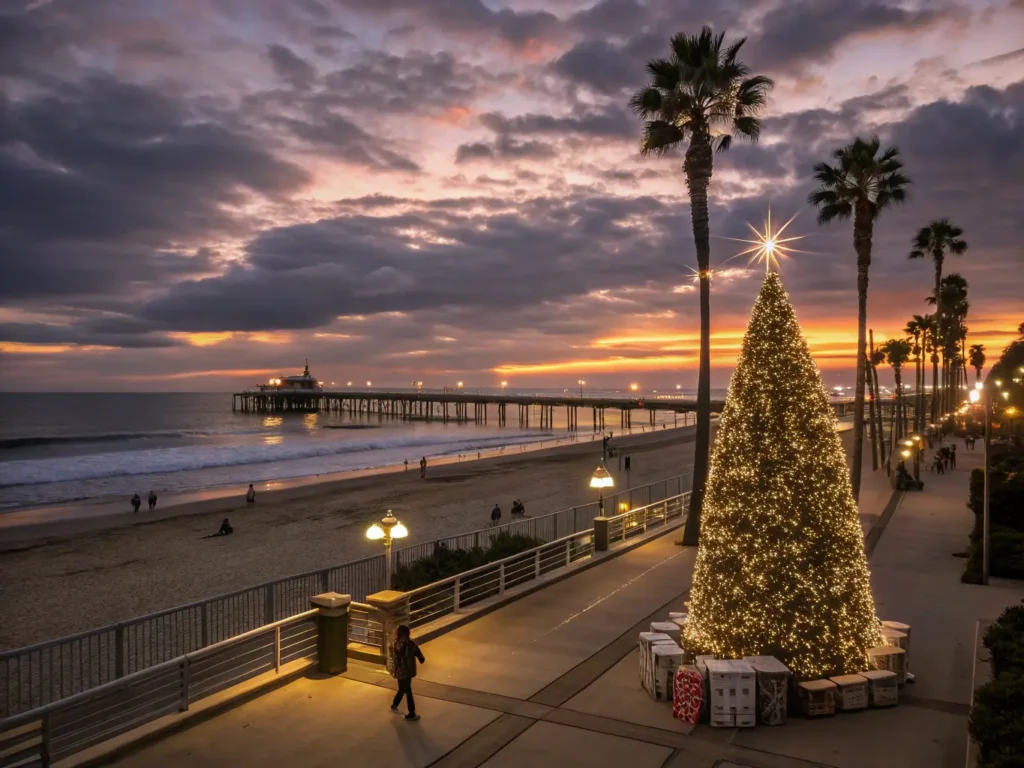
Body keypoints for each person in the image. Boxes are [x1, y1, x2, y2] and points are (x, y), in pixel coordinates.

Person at [389, 624, 425, 721]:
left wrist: (421, 658)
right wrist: (421, 658)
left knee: (403, 688)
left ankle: (395, 703)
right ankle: (411, 713)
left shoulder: (395, 644)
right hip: (406, 671)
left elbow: (416, 651)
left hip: (400, 671)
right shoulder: (408, 644)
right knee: (407, 690)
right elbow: (416, 651)